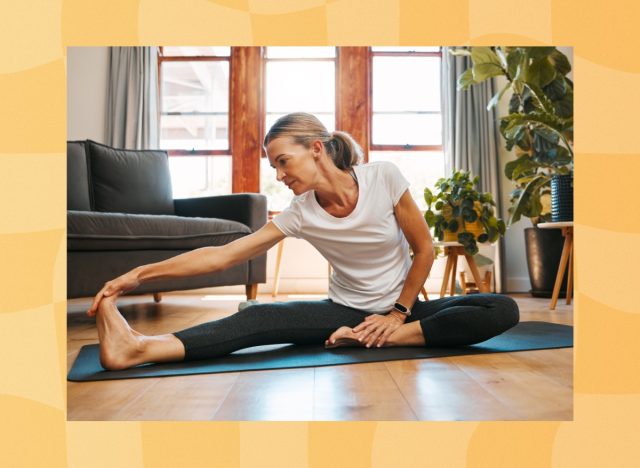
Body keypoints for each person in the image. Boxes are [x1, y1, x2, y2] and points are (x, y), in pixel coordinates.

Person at [87, 112, 519, 371]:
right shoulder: (301, 212)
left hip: (406, 308)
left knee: (501, 308)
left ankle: (384, 336)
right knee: (258, 319)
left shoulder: (384, 177)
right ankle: (138, 348)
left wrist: (398, 315)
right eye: (274, 166)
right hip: (342, 312)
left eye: (282, 161)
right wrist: (136, 276)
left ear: (316, 149)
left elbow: (423, 249)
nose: (278, 175)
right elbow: (223, 256)